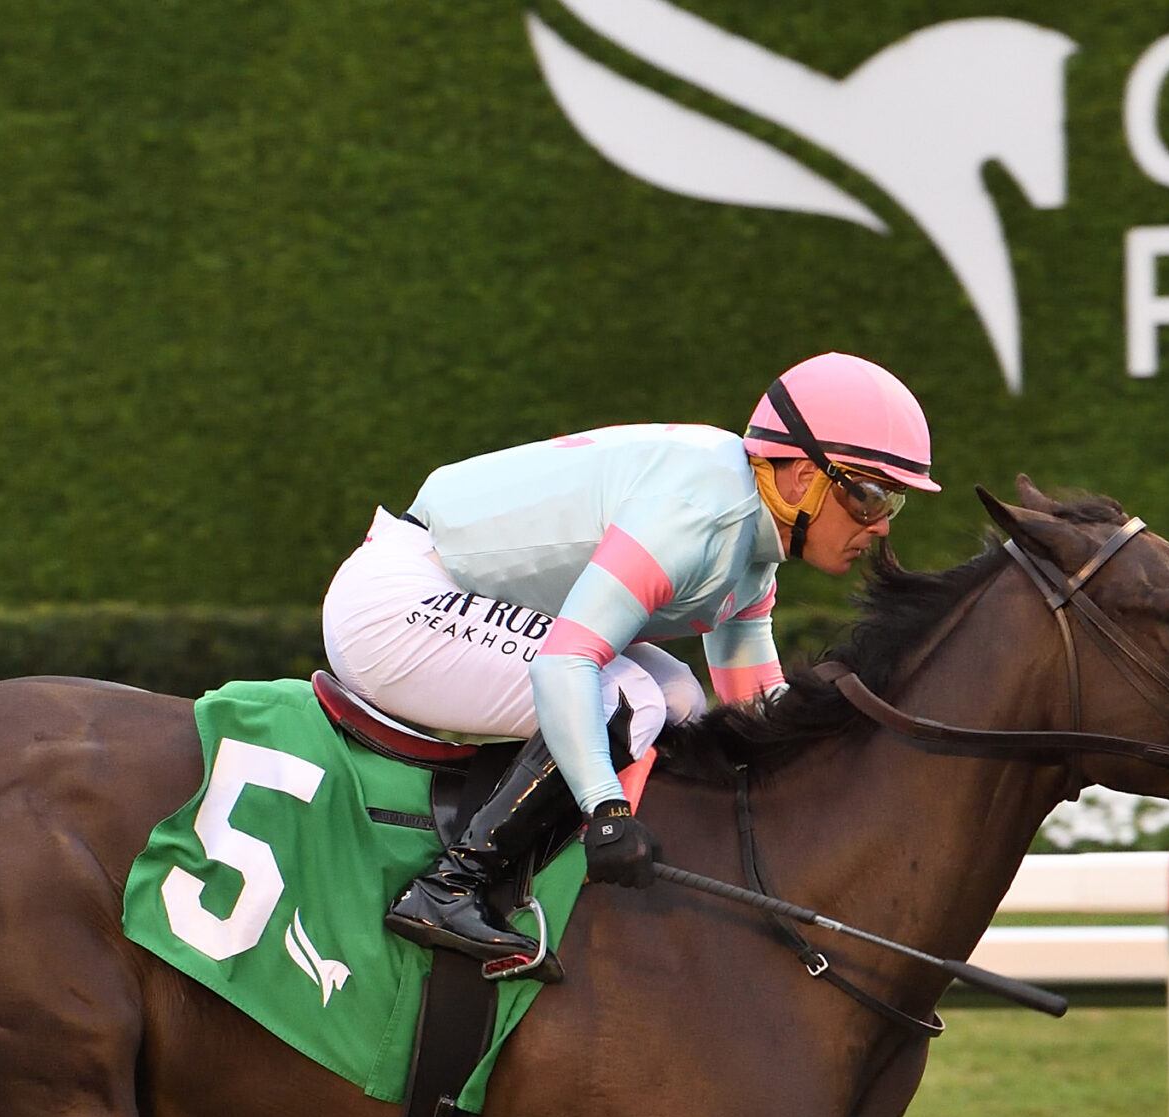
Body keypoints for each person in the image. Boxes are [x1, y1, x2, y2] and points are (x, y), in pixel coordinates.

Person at [321, 353, 938, 968]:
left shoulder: (750, 546)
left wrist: (838, 766)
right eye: (870, 496)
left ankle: (548, 874)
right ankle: (451, 884)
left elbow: (756, 707)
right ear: (803, 477)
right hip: (394, 603)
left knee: (679, 697)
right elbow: (564, 663)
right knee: (628, 699)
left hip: (447, 590)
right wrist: (607, 811)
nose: (882, 526)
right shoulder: (700, 513)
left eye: (894, 503)